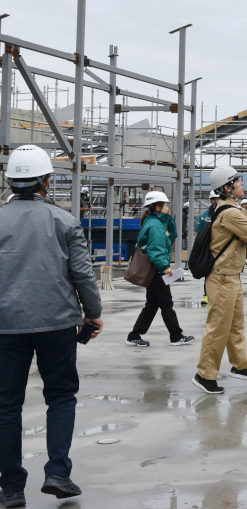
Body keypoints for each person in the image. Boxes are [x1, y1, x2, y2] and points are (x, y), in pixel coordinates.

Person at [0, 145, 103, 505]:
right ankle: (58, 472)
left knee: (6, 405)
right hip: (57, 324)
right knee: (60, 396)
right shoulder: (64, 221)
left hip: (5, 326)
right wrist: (92, 312)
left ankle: (11, 488)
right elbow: (83, 275)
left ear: (10, 180)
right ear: (46, 181)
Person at [192, 165, 247, 394]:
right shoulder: (232, 213)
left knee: (235, 325)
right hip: (223, 278)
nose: (242, 184)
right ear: (227, 187)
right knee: (218, 328)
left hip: (231, 276)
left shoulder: (231, 210)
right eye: (238, 181)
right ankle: (204, 374)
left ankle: (240, 365)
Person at [126, 191, 194, 347]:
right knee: (166, 304)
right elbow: (156, 248)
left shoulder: (155, 222)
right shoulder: (155, 225)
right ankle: (176, 336)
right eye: (165, 205)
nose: (168, 207)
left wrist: (169, 218)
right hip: (156, 270)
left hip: (154, 269)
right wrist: (164, 267)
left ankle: (134, 335)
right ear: (158, 207)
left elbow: (173, 235)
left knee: (152, 305)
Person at [196, 190, 220, 305]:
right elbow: (199, 233)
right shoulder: (203, 216)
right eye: (215, 199)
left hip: (222, 249)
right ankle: (206, 295)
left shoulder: (225, 214)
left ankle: (219, 295)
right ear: (211, 200)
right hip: (208, 249)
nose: (216, 201)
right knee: (208, 273)